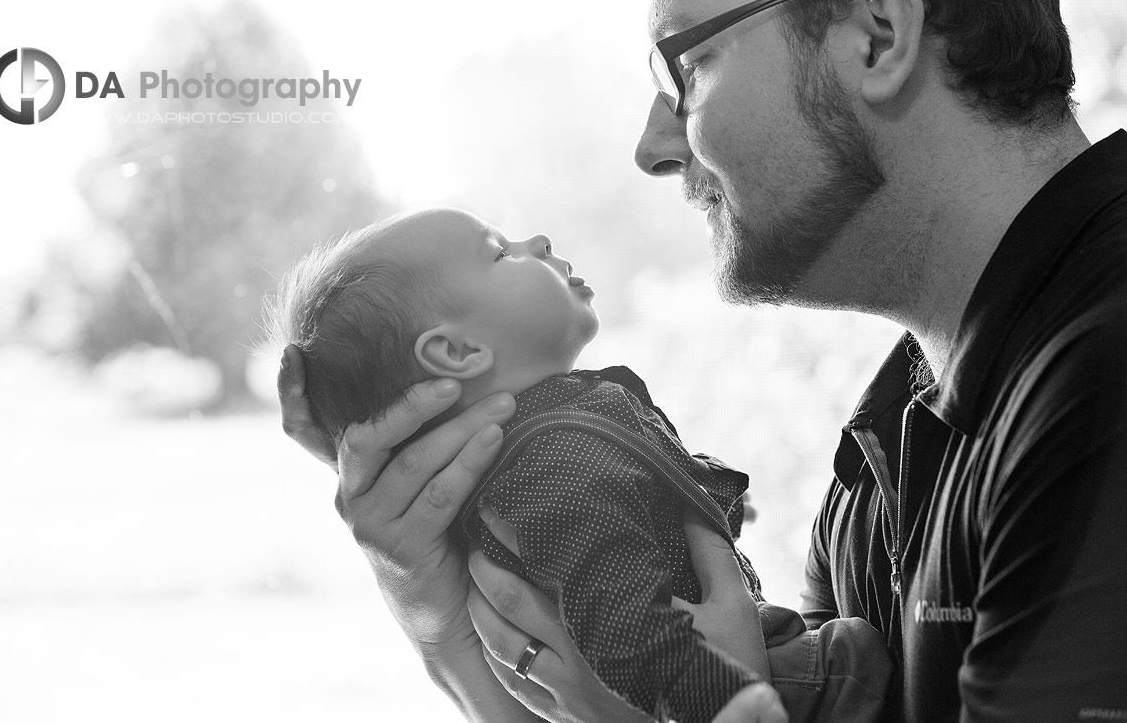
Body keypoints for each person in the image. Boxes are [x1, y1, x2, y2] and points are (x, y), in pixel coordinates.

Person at [278, 0, 1127, 720]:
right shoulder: (882, 456)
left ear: (876, 35)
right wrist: (448, 628)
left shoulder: (1096, 398)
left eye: (688, 66)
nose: (653, 146)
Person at [268, 206, 891, 723]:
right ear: (457, 350)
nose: (535, 240)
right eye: (497, 251)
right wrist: (724, 699)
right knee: (868, 655)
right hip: (765, 689)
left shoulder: (535, 453)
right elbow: (618, 613)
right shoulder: (552, 462)